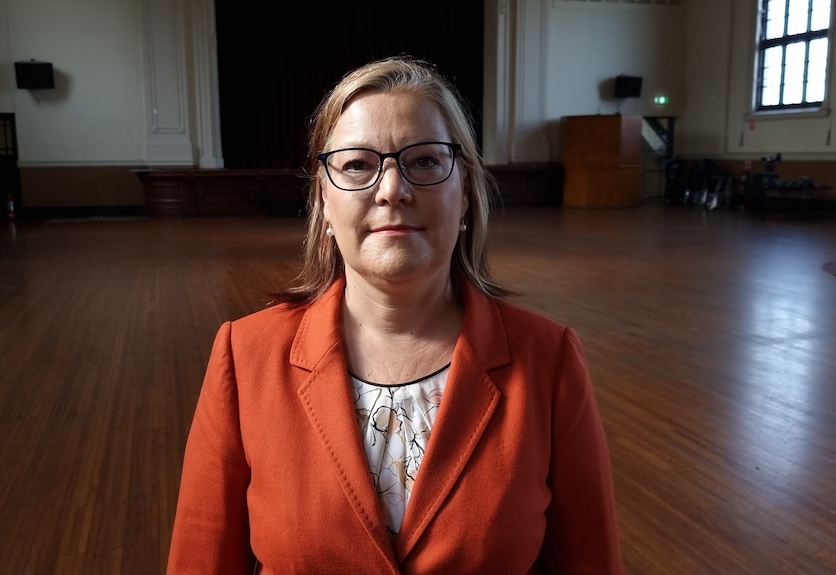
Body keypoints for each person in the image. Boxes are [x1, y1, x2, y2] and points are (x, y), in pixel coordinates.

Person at [167, 55, 625, 575]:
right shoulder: (246, 355)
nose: (392, 190)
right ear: (324, 200)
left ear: (466, 193)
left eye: (425, 161)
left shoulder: (550, 360)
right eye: (358, 164)